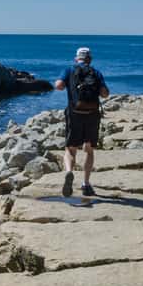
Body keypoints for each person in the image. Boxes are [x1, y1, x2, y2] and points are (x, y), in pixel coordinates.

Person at [55, 47, 109, 201]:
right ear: (89, 59)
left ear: (76, 58)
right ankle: (85, 183)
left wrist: (66, 84)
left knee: (70, 149)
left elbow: (58, 85)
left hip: (74, 113)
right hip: (92, 114)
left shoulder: (69, 70)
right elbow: (105, 94)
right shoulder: (96, 72)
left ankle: (69, 172)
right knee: (89, 150)